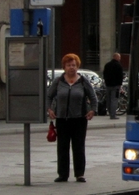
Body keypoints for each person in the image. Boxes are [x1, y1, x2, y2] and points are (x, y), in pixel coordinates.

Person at [46, 53, 97, 183]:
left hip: (79, 119)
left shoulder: (83, 81)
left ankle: (79, 174)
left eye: (74, 65)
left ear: (77, 66)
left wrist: (92, 110)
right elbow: (48, 96)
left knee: (78, 147)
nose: (71, 68)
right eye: (69, 65)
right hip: (62, 119)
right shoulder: (59, 81)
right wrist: (49, 109)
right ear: (64, 67)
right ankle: (63, 174)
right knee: (62, 147)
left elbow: (93, 97)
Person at [102, 52, 123, 120]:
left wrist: (106, 82)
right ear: (116, 57)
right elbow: (120, 76)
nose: (120, 59)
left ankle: (110, 112)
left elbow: (104, 74)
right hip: (115, 85)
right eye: (119, 57)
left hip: (108, 85)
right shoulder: (118, 66)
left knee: (109, 99)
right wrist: (120, 84)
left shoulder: (107, 65)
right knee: (114, 100)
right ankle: (113, 115)